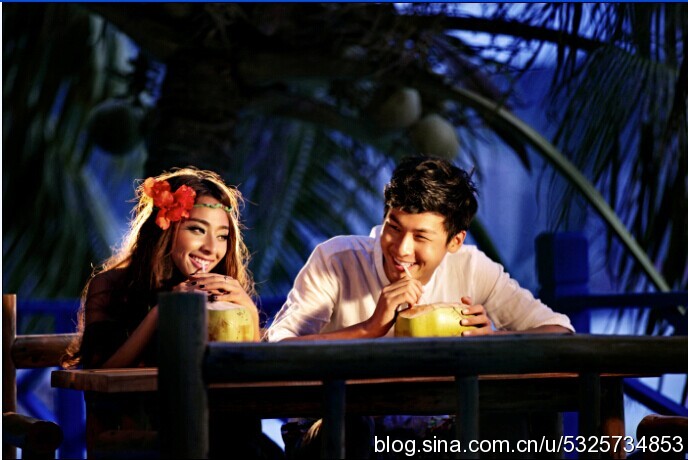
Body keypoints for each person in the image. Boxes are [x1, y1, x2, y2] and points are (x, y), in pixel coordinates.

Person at [267, 156, 574, 458]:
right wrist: (369, 329)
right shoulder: (336, 260)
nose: (401, 249)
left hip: (428, 434)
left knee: (511, 416)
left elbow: (560, 332)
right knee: (353, 427)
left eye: (420, 236)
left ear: (455, 241)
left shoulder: (471, 267)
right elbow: (278, 350)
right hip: (333, 425)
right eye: (394, 227)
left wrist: (491, 340)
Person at [62, 167, 282, 459]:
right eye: (197, 229)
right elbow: (99, 374)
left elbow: (246, 377)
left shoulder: (219, 294)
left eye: (222, 236)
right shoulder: (109, 285)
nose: (211, 248)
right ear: (165, 228)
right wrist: (162, 312)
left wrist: (250, 314)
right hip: (145, 431)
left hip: (220, 428)